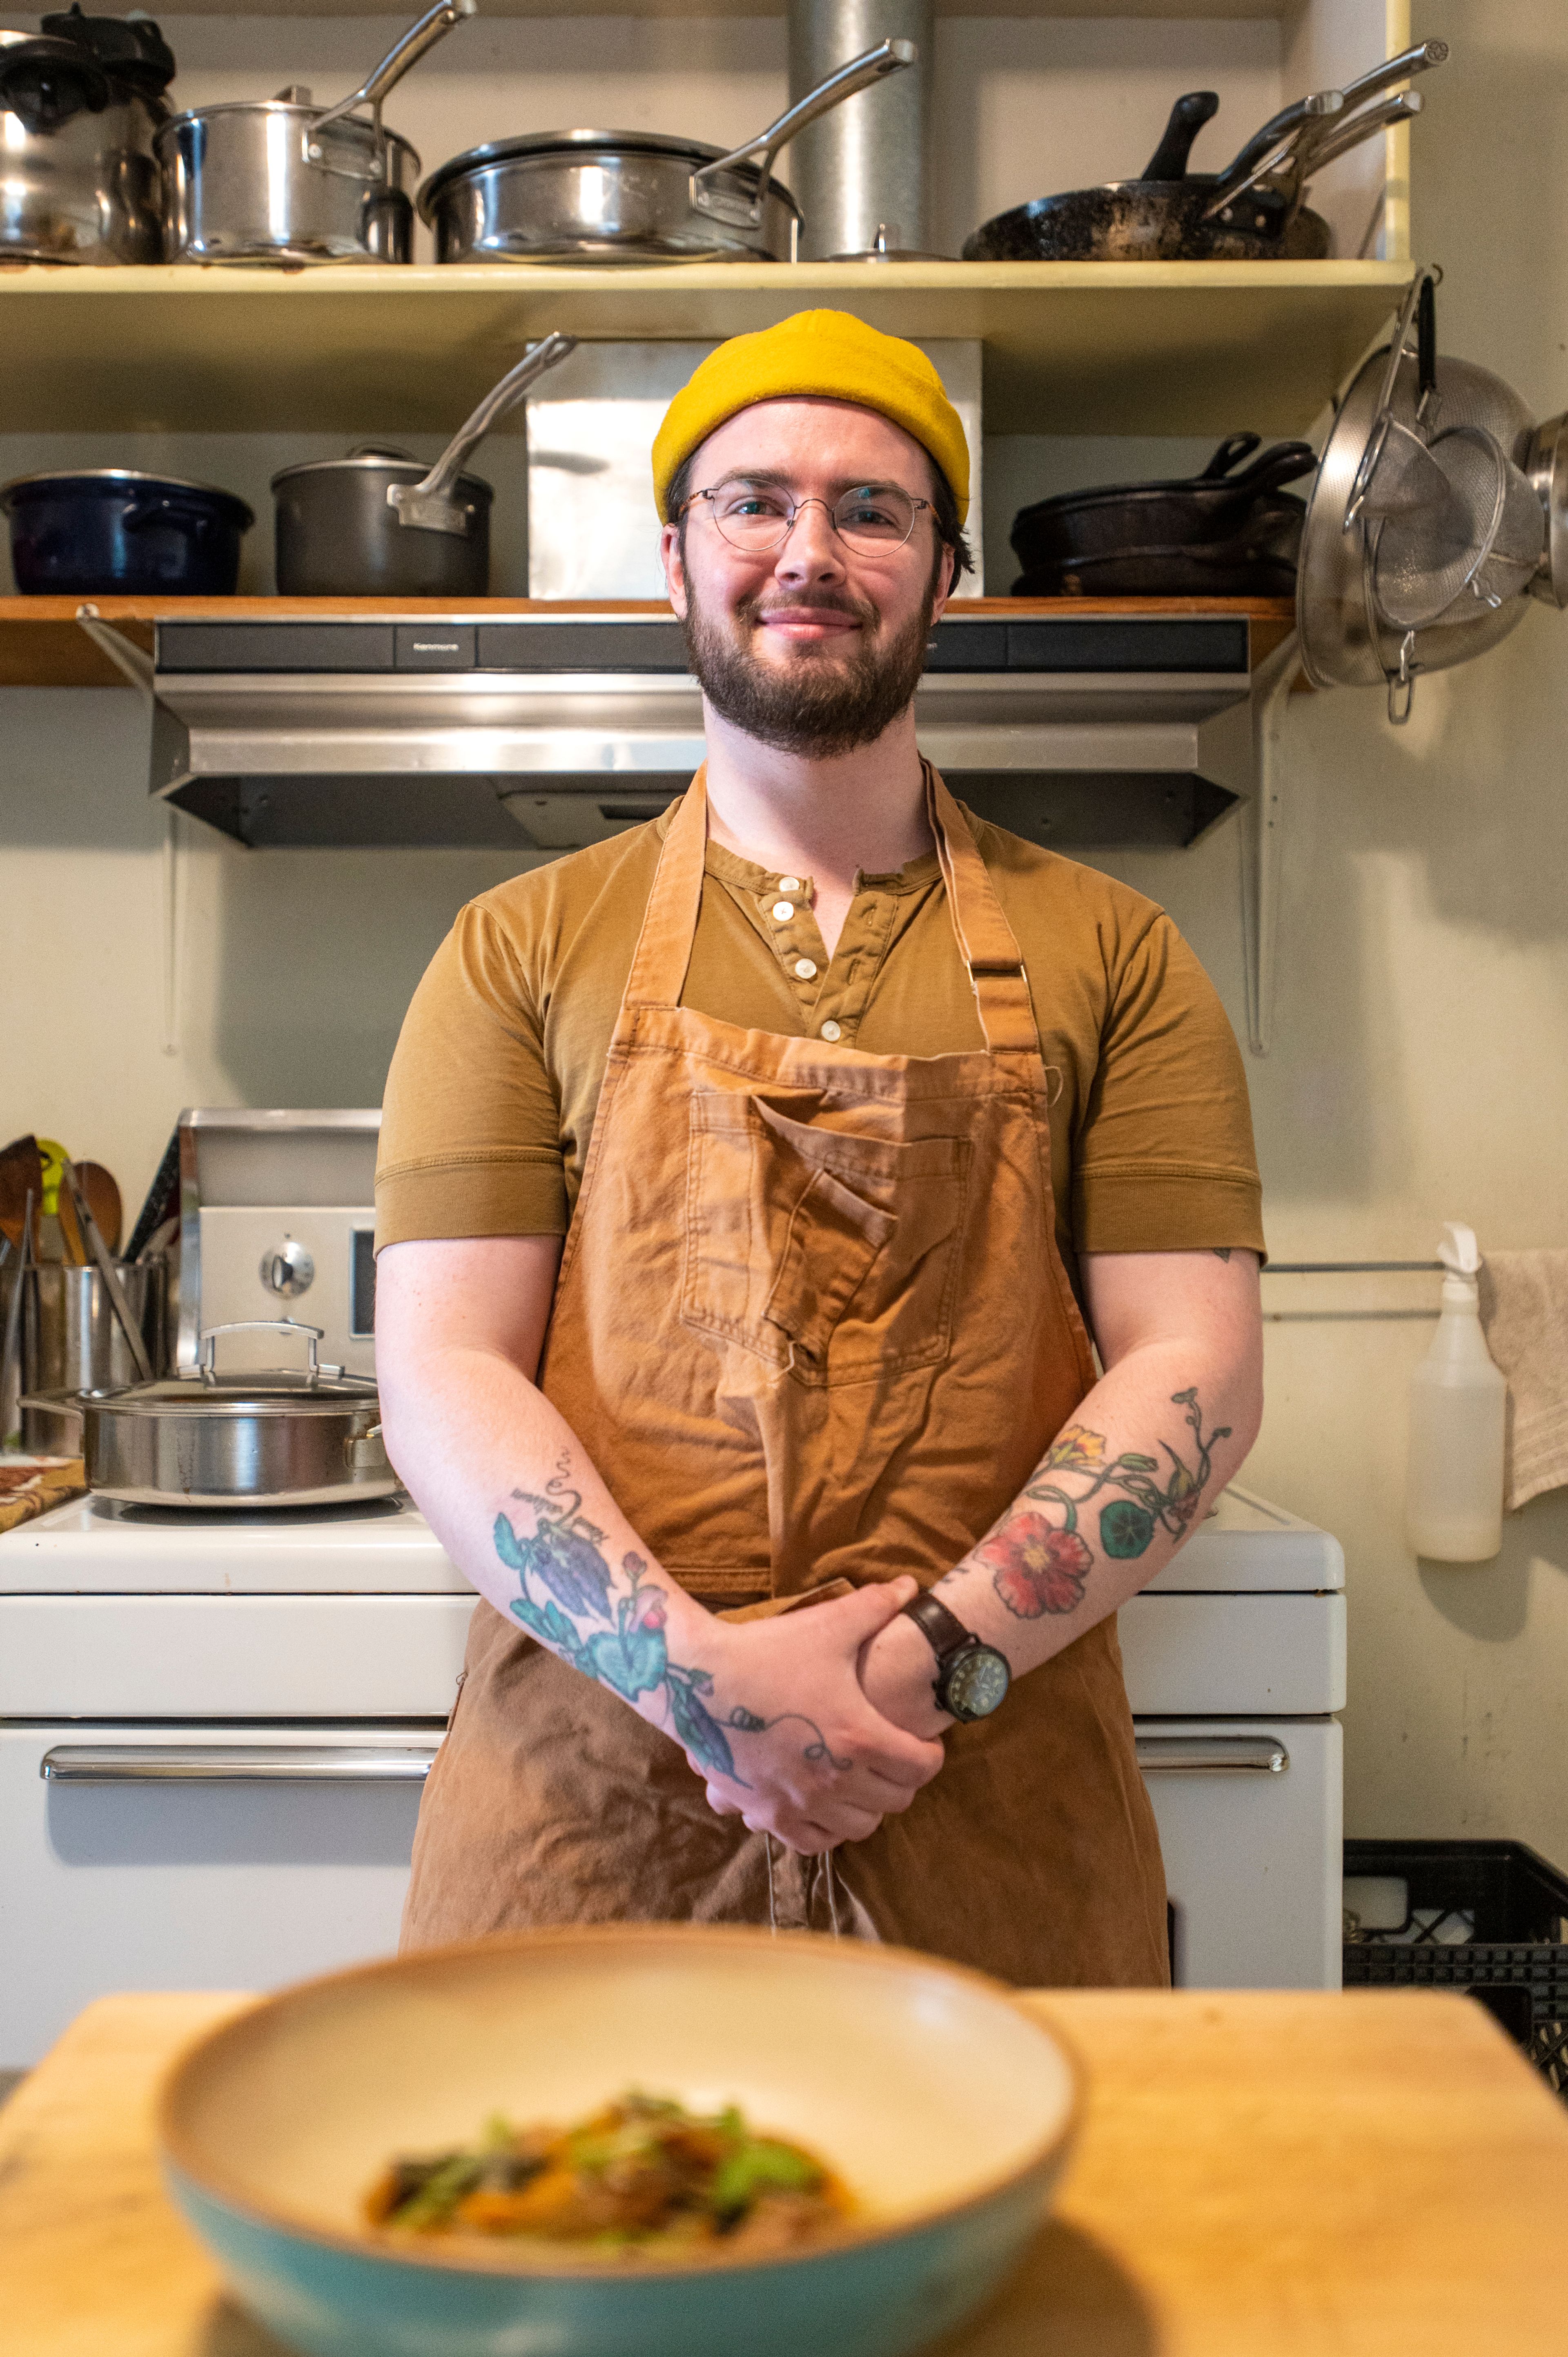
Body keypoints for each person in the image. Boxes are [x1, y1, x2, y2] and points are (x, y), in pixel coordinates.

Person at [374, 310, 1265, 1985]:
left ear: (949, 572)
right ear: (674, 561)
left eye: (872, 509)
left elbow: (1197, 1369)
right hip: (597, 1801)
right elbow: (442, 1378)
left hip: (987, 1791)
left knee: (1013, 2244)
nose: (811, 552)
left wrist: (922, 1671)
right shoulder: (516, 949)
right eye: (753, 503)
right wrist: (709, 1683)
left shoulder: (1118, 955)